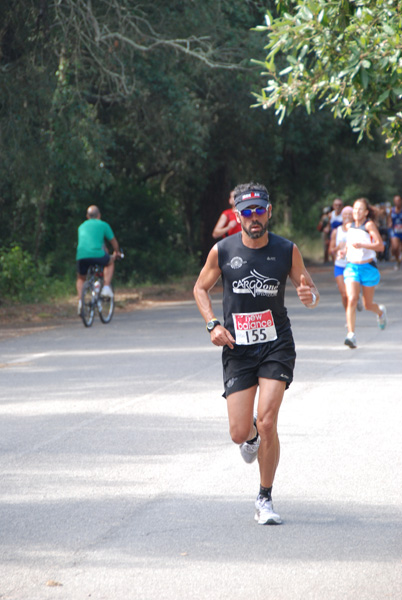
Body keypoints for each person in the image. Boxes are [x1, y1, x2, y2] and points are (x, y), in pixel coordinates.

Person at [193, 182, 320, 525]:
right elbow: (200, 288)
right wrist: (212, 325)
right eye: (247, 212)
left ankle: (265, 497)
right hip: (238, 346)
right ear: (237, 216)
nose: (254, 217)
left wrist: (311, 296)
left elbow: (308, 289)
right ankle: (249, 437)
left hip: (276, 343)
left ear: (269, 211)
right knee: (240, 431)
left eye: (259, 210)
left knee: (267, 421)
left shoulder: (286, 250)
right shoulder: (222, 250)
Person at [343, 198, 387, 349]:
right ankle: (351, 335)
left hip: (368, 268)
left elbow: (380, 246)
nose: (357, 212)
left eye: (360, 209)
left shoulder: (369, 225)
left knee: (367, 305)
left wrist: (363, 244)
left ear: (366, 212)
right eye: (355, 209)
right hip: (352, 267)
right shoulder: (349, 226)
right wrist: (344, 251)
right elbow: (349, 245)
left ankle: (380, 312)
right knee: (352, 299)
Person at [76, 205, 121, 312]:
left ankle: (80, 302)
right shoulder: (103, 225)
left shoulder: (81, 227)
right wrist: (117, 252)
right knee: (110, 262)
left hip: (81, 256)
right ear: (99, 215)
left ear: (87, 216)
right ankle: (105, 287)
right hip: (97, 254)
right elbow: (113, 241)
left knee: (81, 278)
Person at [329, 205, 355, 311]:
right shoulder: (337, 231)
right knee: (344, 294)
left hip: (353, 265)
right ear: (342, 216)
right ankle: (348, 316)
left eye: (350, 214)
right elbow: (330, 250)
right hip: (339, 265)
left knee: (351, 294)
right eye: (345, 214)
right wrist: (337, 248)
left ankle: (355, 300)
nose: (347, 216)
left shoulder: (356, 230)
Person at [387, 194, 402, 269]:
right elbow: (389, 218)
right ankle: (398, 260)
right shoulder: (392, 210)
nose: (397, 202)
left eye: (398, 201)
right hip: (395, 230)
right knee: (395, 247)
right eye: (395, 201)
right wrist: (389, 223)